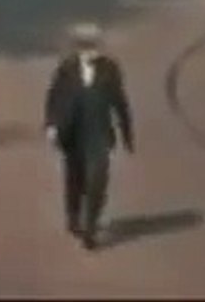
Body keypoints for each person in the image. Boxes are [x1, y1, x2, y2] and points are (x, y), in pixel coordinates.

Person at [43, 23, 135, 250]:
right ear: (78, 48)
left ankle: (90, 229)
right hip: (73, 133)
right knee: (75, 179)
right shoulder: (67, 69)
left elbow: (120, 103)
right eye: (86, 46)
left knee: (97, 180)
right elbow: (54, 97)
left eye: (94, 45)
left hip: (99, 134)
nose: (92, 50)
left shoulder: (110, 69)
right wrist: (52, 125)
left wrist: (127, 134)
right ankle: (73, 216)